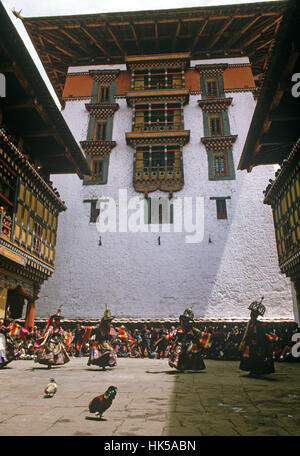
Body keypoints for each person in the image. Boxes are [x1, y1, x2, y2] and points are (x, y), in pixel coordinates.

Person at [239, 298, 275, 377]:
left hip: (257, 343)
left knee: (256, 357)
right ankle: (252, 370)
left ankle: (256, 370)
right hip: (251, 342)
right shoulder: (250, 323)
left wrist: (256, 341)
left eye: (252, 314)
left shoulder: (258, 324)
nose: (251, 315)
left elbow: (258, 334)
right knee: (251, 357)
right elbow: (248, 333)